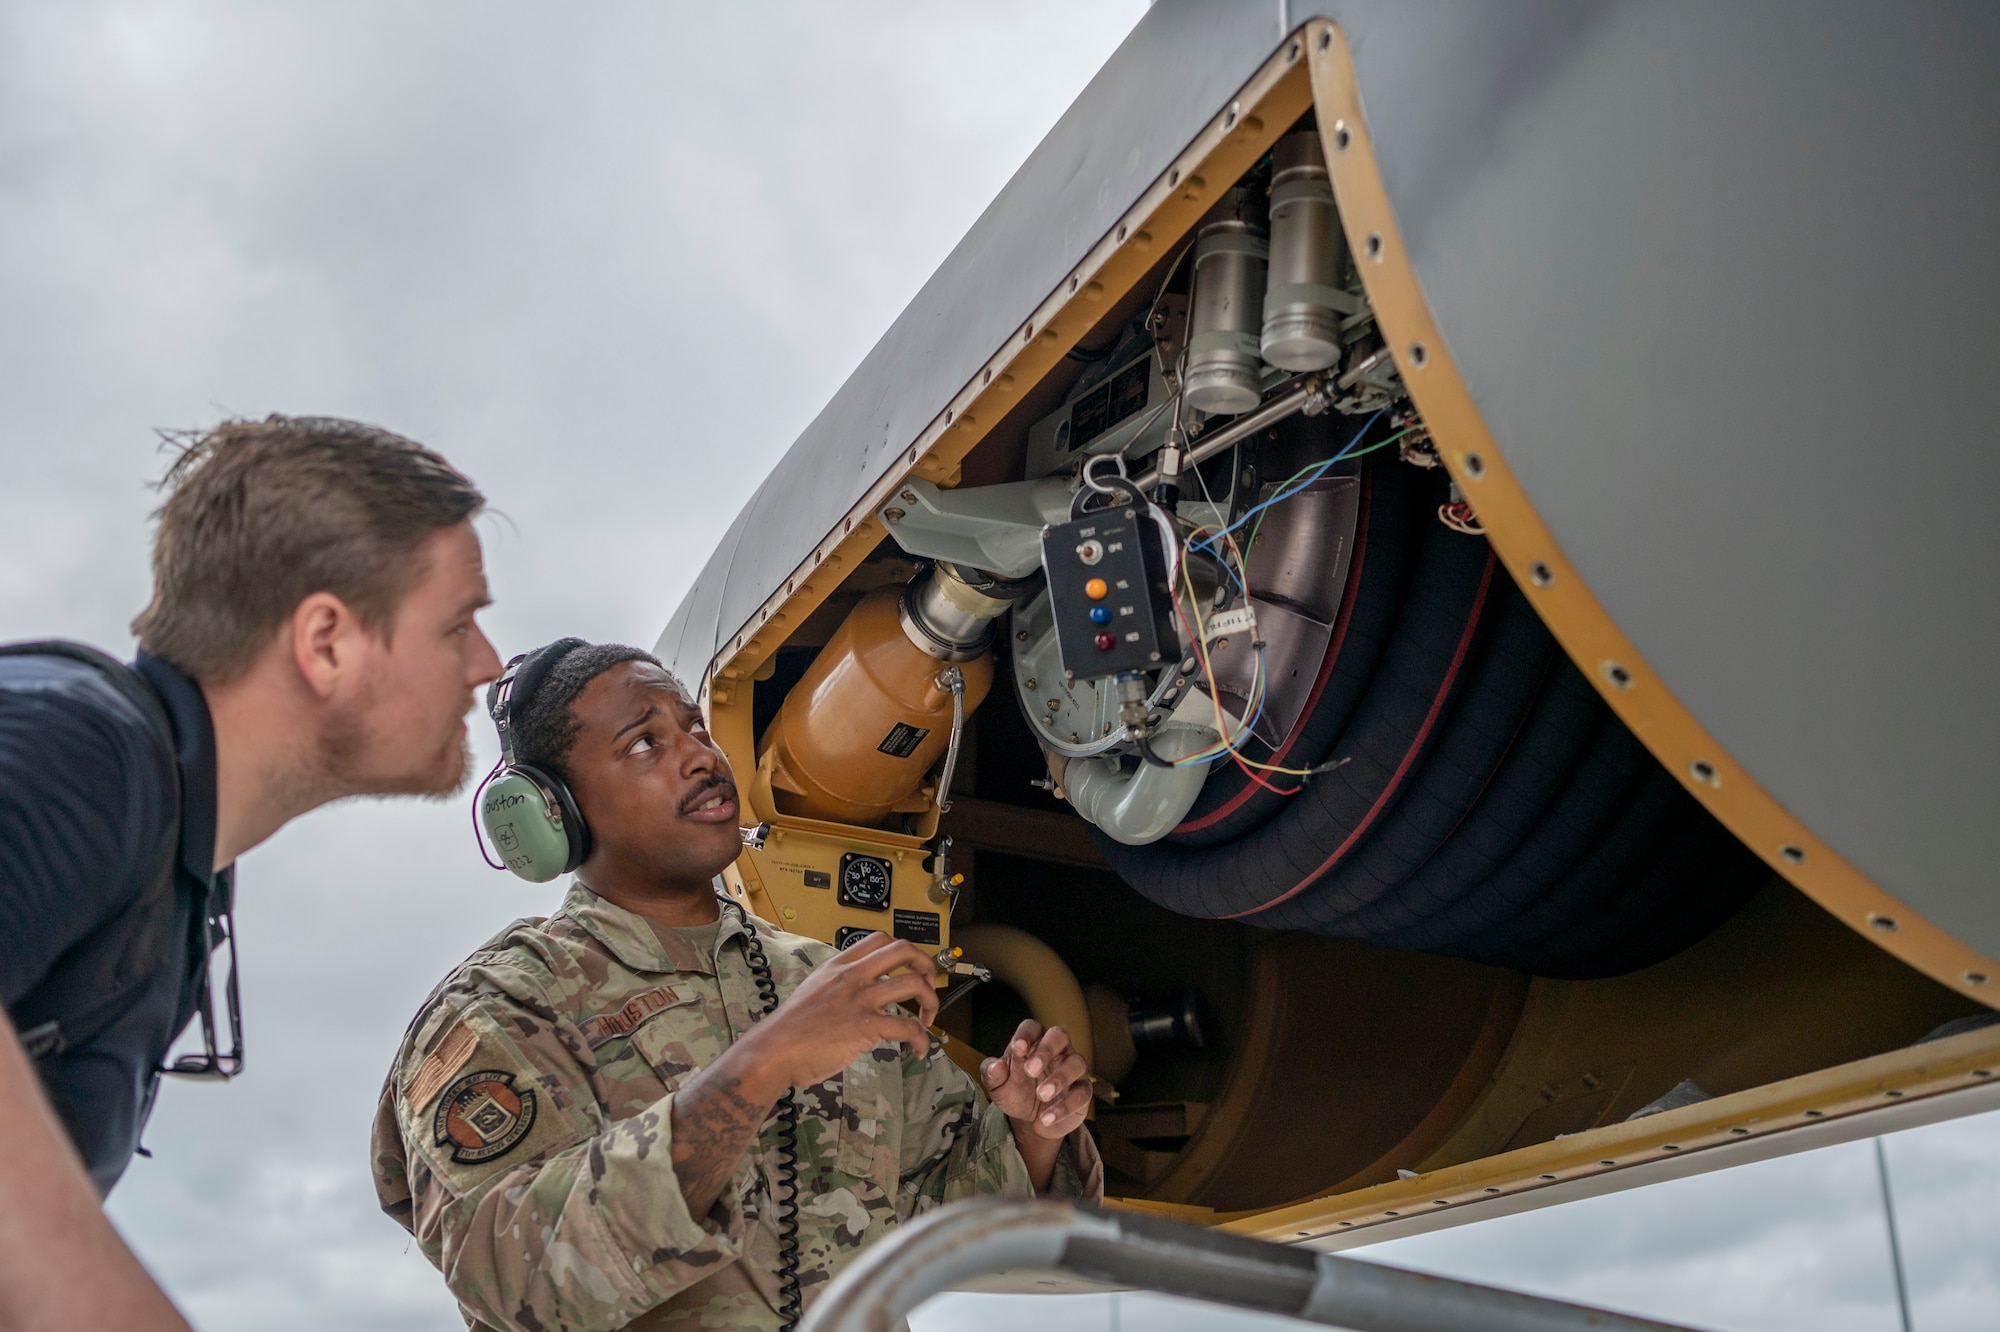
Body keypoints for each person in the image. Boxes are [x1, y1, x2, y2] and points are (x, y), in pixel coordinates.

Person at [372, 640, 1102, 1332]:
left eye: (695, 727)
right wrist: (763, 1066)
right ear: (553, 814)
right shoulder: (502, 1010)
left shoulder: (824, 984)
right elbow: (514, 1278)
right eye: (644, 743)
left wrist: (1034, 1131)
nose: (698, 756)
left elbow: (960, 1223)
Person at [0, 416, 502, 1331]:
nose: (487, 665)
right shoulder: (84, 748)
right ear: (326, 643)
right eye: (459, 623)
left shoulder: (175, 855)